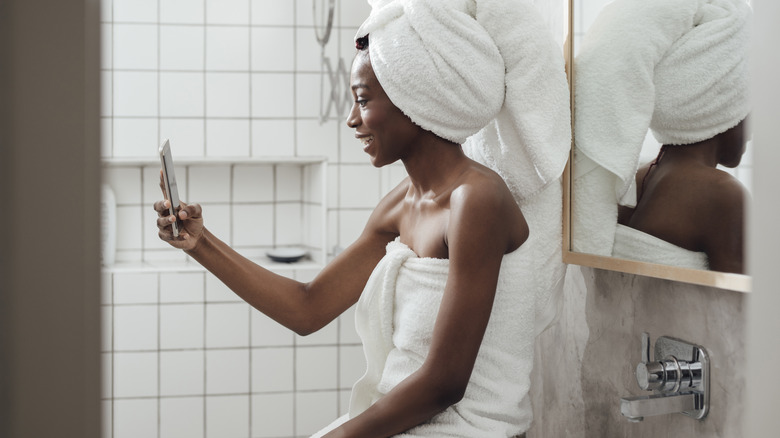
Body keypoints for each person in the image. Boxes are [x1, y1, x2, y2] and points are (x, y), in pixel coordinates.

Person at [155, 1, 570, 436]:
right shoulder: (400, 206)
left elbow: (445, 384)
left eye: (363, 100)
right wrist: (200, 243)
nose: (352, 120)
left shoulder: (477, 201)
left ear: (415, 96)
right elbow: (307, 307)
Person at [617, 119, 748, 273]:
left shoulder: (632, 179)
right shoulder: (725, 193)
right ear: (721, 111)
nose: (751, 132)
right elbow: (739, 296)